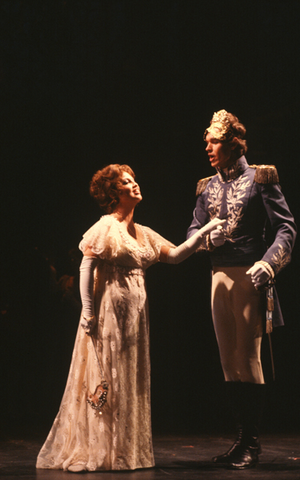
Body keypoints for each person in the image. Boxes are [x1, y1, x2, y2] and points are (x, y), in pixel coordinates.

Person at [36, 163, 224, 473]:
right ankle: (101, 448)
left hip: (135, 317)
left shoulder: (143, 232)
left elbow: (175, 256)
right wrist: (88, 312)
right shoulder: (106, 226)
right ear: (114, 193)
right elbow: (87, 267)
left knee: (129, 375)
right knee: (108, 374)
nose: (134, 184)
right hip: (109, 311)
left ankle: (124, 451)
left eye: (133, 179)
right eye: (126, 182)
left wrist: (204, 230)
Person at [187, 109, 297, 470]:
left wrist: (269, 262)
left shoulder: (260, 178)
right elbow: (192, 231)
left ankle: (251, 442)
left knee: (248, 358)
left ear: (233, 144)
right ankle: (241, 439)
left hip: (250, 274)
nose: (208, 147)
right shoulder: (208, 186)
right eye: (206, 140)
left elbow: (286, 229)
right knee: (228, 361)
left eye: (214, 140)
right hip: (219, 274)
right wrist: (205, 239)